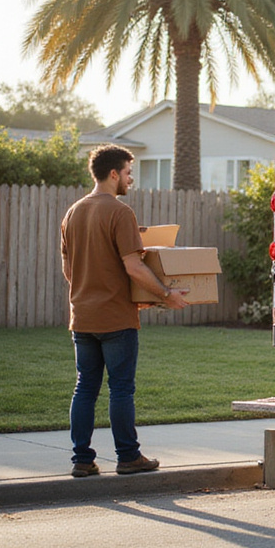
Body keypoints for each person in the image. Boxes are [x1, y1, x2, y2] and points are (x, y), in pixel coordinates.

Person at [61, 144, 190, 478]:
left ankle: (82, 460)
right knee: (120, 389)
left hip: (82, 318)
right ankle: (128, 457)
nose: (131, 180)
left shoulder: (73, 212)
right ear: (114, 174)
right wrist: (165, 294)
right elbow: (133, 266)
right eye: (129, 173)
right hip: (116, 319)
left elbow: (69, 270)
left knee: (84, 388)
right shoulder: (120, 212)